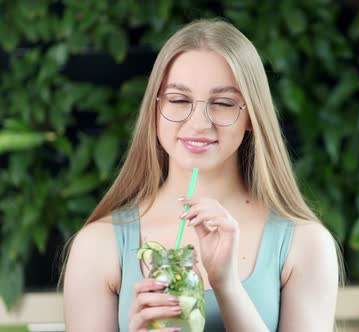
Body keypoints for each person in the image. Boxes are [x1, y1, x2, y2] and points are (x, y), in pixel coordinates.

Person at [62, 18, 340, 332]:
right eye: (179, 100)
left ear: (251, 115)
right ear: (154, 110)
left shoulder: (306, 243)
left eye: (222, 103)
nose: (198, 123)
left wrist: (228, 287)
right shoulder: (97, 245)